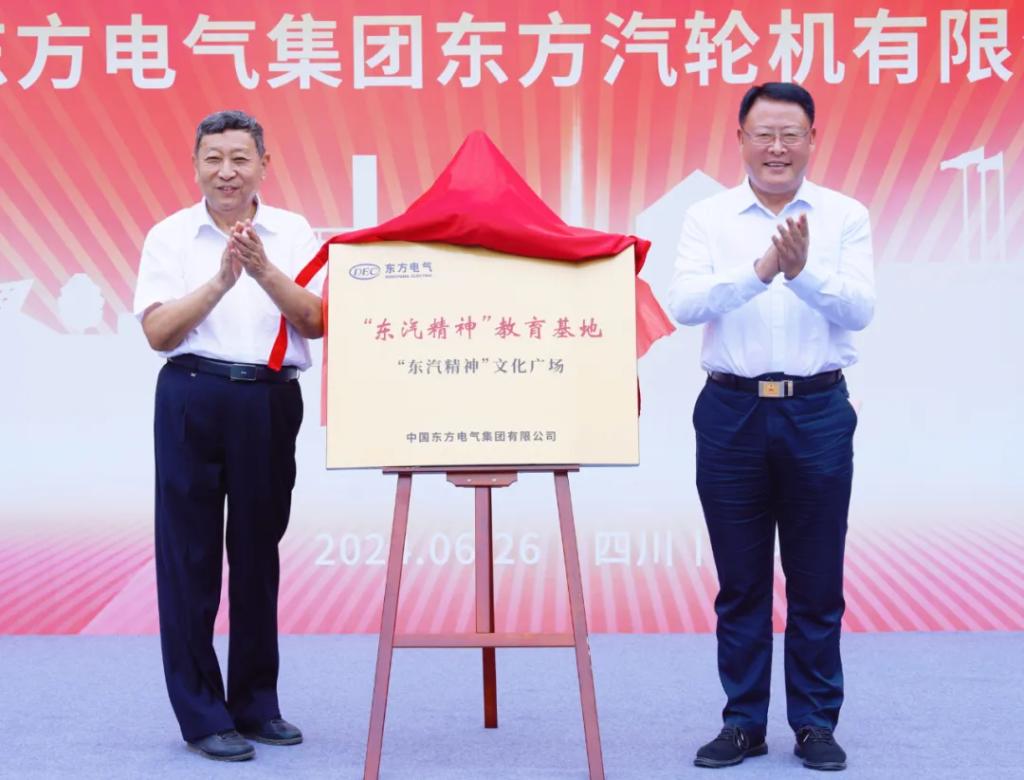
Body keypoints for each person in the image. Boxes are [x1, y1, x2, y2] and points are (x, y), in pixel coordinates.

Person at [668, 82, 875, 772]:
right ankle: (743, 723)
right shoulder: (708, 217)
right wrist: (761, 271)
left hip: (817, 410)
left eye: (791, 134)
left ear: (813, 139)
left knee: (817, 580)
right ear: (740, 139)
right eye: (764, 134)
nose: (777, 148)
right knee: (742, 582)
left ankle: (815, 722)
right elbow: (686, 304)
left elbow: (860, 309)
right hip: (731, 411)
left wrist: (802, 273)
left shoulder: (844, 215)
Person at [133, 110, 323, 761]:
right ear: (196, 166)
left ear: (264, 164)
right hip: (192, 395)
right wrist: (221, 280)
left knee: (257, 555)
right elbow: (158, 332)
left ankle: (255, 704)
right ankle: (201, 714)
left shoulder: (293, 232)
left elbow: (317, 319)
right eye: (213, 158)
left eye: (240, 158)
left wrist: (263, 269)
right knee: (189, 559)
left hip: (269, 399)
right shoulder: (169, 236)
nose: (226, 172)